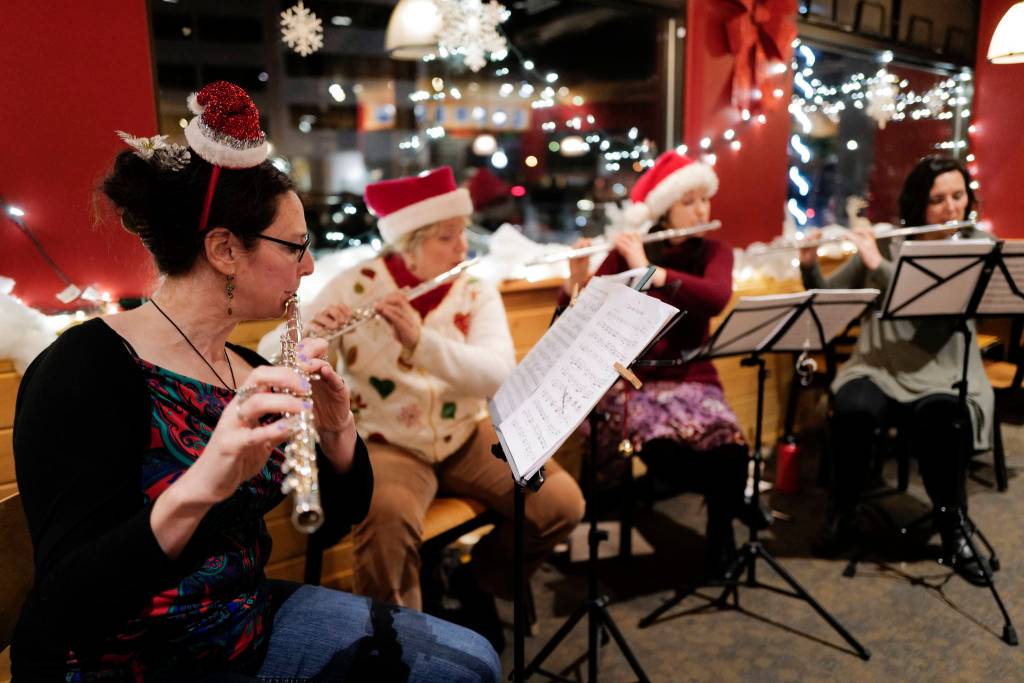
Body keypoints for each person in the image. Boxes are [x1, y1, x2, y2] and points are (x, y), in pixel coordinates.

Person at [11, 81, 501, 682]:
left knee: (474, 662)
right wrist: (200, 486)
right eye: (296, 246)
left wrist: (337, 427)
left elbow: (344, 514)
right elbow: (71, 599)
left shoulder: (244, 362)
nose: (312, 266)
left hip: (244, 625)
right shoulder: (84, 371)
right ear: (223, 250)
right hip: (126, 660)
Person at [259, 166, 585, 650]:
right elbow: (267, 349)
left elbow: (498, 374)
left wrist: (421, 341)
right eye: (448, 237)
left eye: (460, 234)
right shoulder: (357, 283)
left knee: (561, 505)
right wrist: (308, 333)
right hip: (391, 441)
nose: (463, 247)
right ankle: (400, 646)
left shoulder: (475, 288)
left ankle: (479, 580)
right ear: (410, 241)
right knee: (385, 521)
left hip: (468, 434)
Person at [800, 154, 994, 585]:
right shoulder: (890, 243)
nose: (951, 208)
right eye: (937, 199)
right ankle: (843, 512)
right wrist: (810, 264)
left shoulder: (974, 247)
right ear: (918, 205)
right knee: (851, 409)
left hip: (944, 371)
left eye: (958, 196)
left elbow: (937, 313)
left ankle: (953, 527)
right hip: (879, 365)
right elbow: (828, 298)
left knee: (944, 421)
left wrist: (877, 266)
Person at [562, 150, 748, 580]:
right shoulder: (631, 250)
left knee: (732, 447)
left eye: (705, 200)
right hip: (636, 381)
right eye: (690, 202)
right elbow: (580, 313)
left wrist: (651, 272)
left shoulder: (714, 251)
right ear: (664, 212)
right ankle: (726, 502)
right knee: (666, 453)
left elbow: (715, 298)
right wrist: (575, 277)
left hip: (693, 376)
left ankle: (722, 539)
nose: (702, 210)